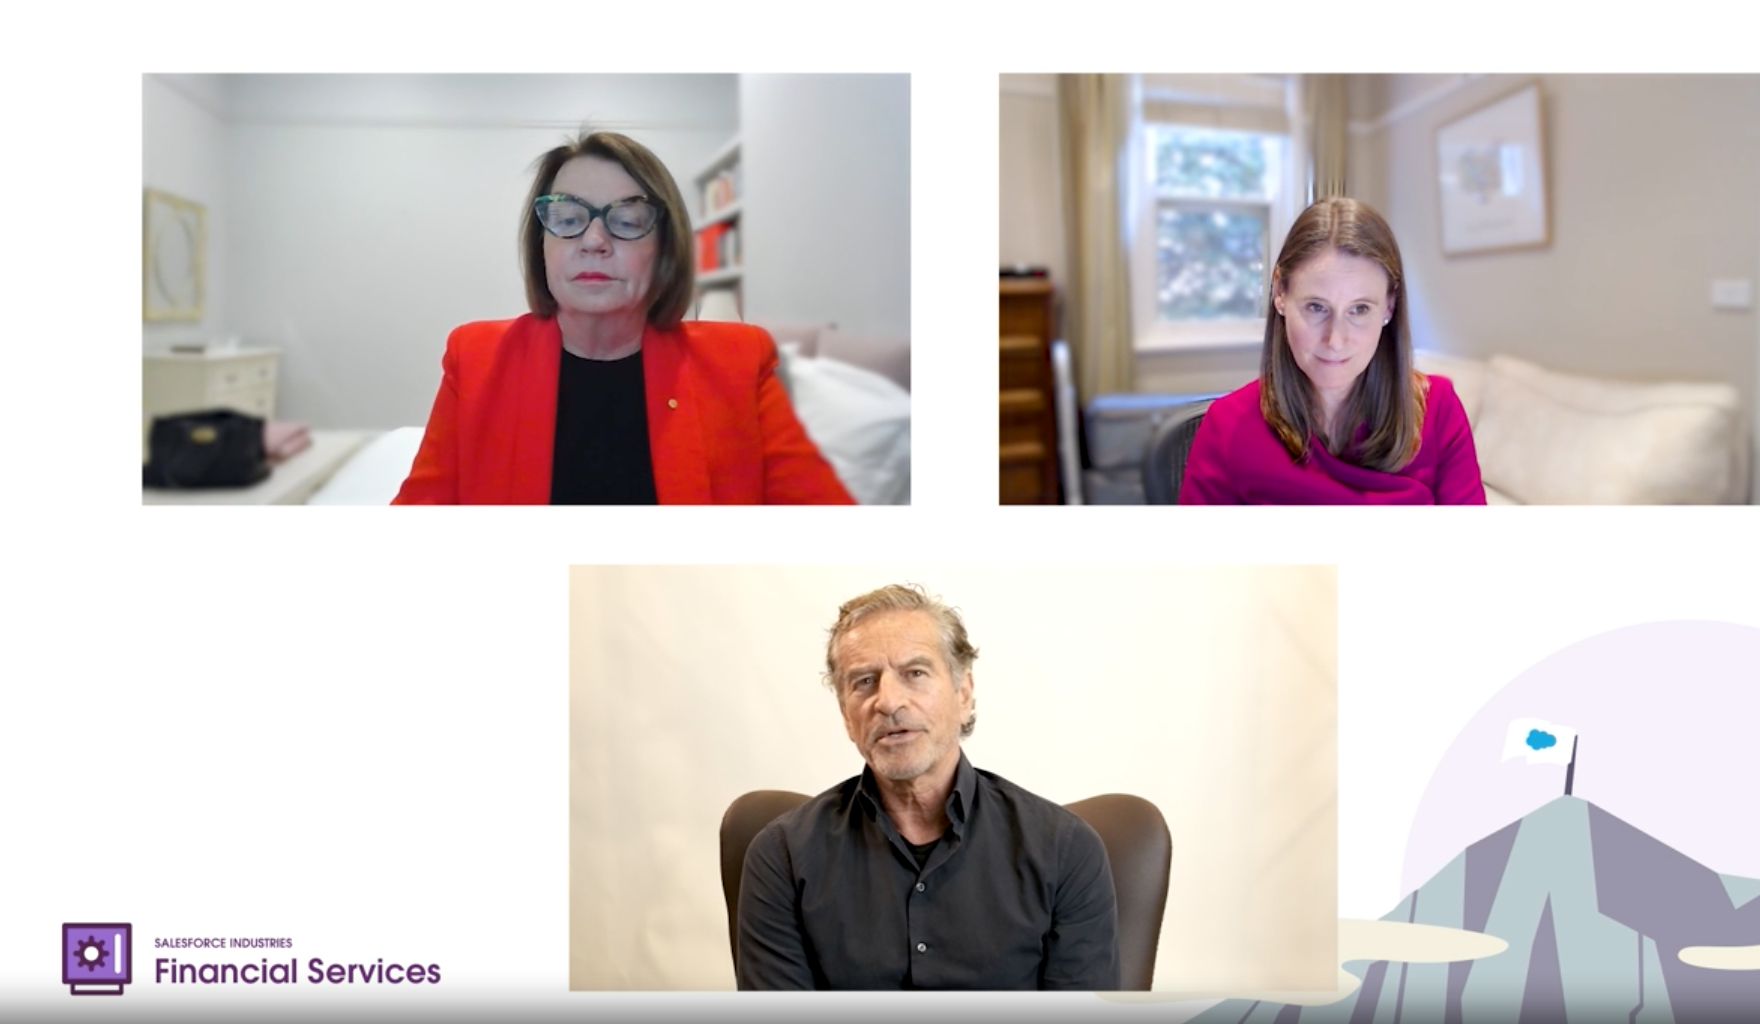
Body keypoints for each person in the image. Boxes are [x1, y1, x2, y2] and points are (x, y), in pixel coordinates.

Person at [393, 131, 852, 504]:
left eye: (628, 222)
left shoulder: (740, 360)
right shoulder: (475, 356)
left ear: (665, 250)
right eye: (568, 217)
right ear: (542, 244)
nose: (593, 241)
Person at [735, 584, 1119, 990]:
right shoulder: (783, 857)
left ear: (964, 693)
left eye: (915, 673)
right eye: (864, 681)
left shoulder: (1066, 850)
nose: (888, 701)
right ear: (847, 716)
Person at [1179, 196, 1486, 504]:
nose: (1335, 340)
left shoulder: (1439, 411)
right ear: (1279, 293)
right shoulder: (1227, 427)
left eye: (1360, 309)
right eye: (1316, 307)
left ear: (1389, 306)